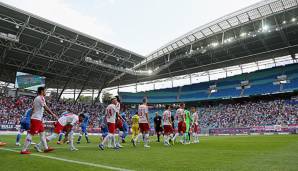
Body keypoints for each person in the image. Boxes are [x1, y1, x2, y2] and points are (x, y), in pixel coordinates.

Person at [21, 87, 58, 154]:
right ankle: (24, 150)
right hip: (36, 119)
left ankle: (46, 148)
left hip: (38, 119)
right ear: (41, 91)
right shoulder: (40, 98)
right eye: (45, 91)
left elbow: (33, 109)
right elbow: (46, 108)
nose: (45, 92)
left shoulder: (37, 98)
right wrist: (53, 114)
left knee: (42, 134)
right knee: (31, 133)